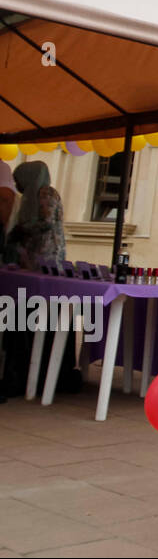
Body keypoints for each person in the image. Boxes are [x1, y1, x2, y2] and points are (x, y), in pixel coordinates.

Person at [1, 160, 69, 400]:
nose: (17, 186)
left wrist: (24, 229)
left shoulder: (46, 193)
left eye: (19, 181)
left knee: (33, 307)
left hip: (45, 256)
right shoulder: (31, 197)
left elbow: (47, 223)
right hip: (31, 257)